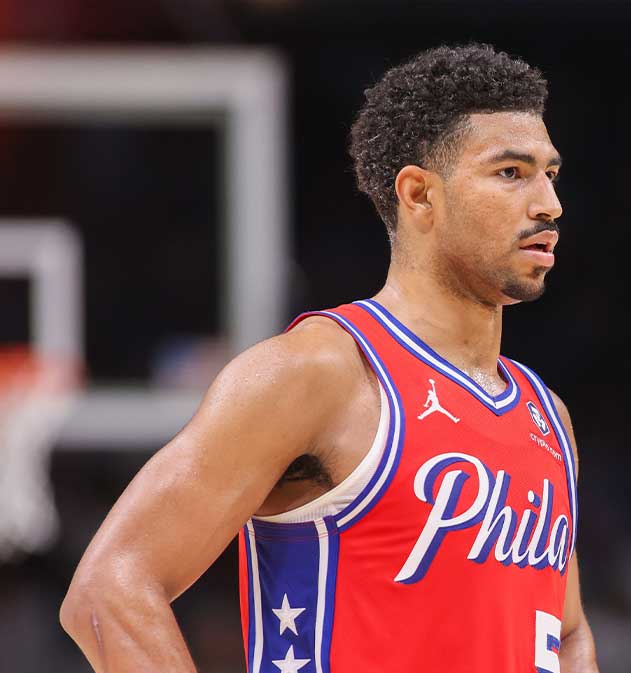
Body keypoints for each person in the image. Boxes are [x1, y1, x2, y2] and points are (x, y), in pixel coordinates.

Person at [60, 43, 599, 673]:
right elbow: (109, 590)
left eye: (550, 174)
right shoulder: (320, 371)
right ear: (419, 194)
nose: (548, 205)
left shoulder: (547, 417)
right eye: (511, 173)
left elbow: (566, 633)